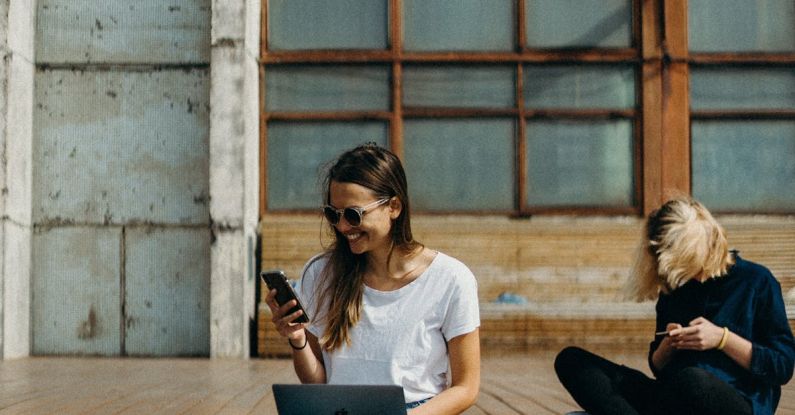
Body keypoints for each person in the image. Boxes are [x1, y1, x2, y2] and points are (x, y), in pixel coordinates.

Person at [265, 143, 481, 414]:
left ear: (394, 206)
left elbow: (466, 387)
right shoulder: (321, 273)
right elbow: (317, 382)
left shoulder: (451, 279)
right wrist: (298, 338)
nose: (343, 227)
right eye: (334, 214)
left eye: (354, 214)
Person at [555, 197, 795, 415]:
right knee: (571, 360)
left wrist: (722, 339)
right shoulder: (676, 287)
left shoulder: (755, 281)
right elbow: (658, 368)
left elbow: (782, 367)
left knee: (693, 381)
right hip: (673, 400)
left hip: (736, 403)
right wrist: (666, 348)